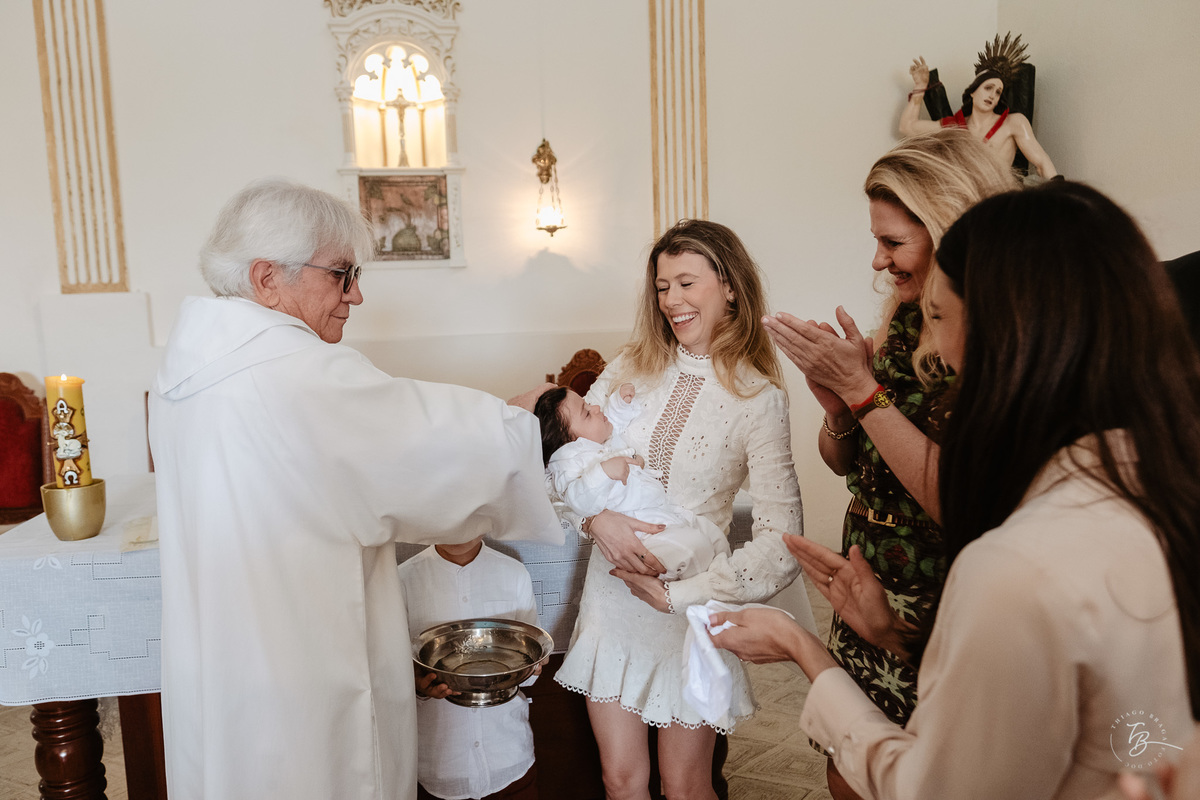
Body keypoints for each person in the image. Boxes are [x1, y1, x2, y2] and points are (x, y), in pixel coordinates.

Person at [713, 181, 1200, 799]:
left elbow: (930, 788)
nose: (935, 345)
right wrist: (894, 634)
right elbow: (1085, 711)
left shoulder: (1016, 564)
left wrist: (800, 647)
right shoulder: (1161, 487)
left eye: (940, 317)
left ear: (1006, 334)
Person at [148, 178, 562, 800]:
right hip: (303, 671)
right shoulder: (294, 372)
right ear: (267, 277)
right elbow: (422, 450)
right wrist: (533, 423)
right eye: (342, 275)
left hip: (225, 665)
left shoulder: (187, 371)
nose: (357, 295)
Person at [760, 127, 1017, 799]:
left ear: (950, 228)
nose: (878, 261)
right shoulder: (902, 317)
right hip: (870, 572)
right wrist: (838, 410)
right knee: (846, 761)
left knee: (932, 772)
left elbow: (963, 499)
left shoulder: (994, 338)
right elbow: (848, 462)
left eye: (893, 242)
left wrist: (861, 391)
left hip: (938, 591)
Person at [546, 218, 809, 799]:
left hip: (686, 612)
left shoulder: (758, 398)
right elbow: (558, 465)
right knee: (621, 781)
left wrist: (679, 596)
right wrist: (594, 520)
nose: (671, 301)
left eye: (687, 283)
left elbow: (782, 542)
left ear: (730, 287)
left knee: (686, 785)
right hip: (612, 602)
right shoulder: (628, 367)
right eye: (663, 287)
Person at [534, 383, 730, 580]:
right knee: (695, 548)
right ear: (567, 442)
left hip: (666, 514)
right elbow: (577, 500)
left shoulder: (597, 442)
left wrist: (620, 404)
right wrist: (604, 472)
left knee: (715, 537)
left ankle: (723, 584)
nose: (595, 407)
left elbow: (612, 424)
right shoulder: (568, 464)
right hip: (641, 532)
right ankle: (697, 588)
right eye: (586, 413)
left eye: (587, 403)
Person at [399, 535, 543, 800]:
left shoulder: (513, 573)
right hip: (440, 767)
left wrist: (533, 667)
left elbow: (531, 662)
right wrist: (417, 686)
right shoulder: (403, 580)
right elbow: (392, 670)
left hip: (510, 759)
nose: (458, 528)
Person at [899, 35, 1057, 179]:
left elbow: (1042, 162)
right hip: (966, 196)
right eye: (988, 88)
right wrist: (920, 86)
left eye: (998, 92)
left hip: (1001, 195)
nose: (992, 95)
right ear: (973, 92)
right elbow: (907, 126)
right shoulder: (954, 127)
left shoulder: (1013, 122)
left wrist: (1062, 193)